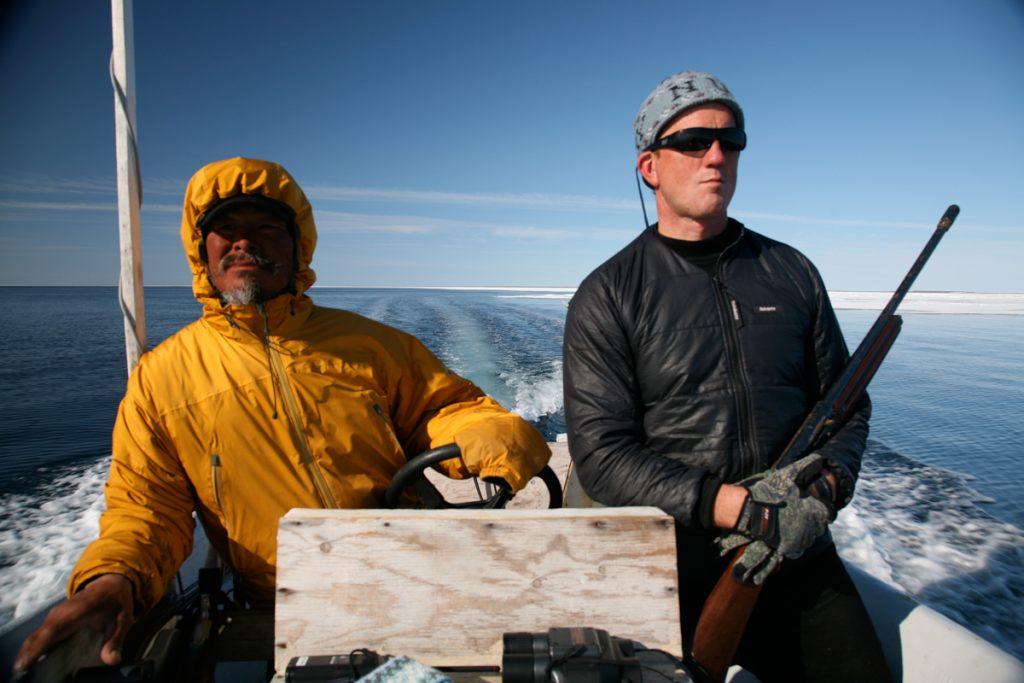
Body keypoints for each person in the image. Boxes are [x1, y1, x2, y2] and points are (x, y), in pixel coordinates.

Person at [15, 157, 551, 674]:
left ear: (298, 247)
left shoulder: (372, 346)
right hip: (275, 610)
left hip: (409, 572)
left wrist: (488, 432)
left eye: (267, 227)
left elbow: (446, 407)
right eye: (226, 229)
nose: (245, 241)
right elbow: (146, 510)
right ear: (202, 250)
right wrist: (113, 580)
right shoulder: (162, 378)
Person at [562, 72, 890, 682]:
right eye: (692, 141)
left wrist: (822, 492)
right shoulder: (607, 295)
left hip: (794, 553)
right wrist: (735, 507)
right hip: (668, 561)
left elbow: (847, 405)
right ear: (650, 166)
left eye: (730, 139)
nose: (717, 155)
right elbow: (602, 454)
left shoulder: (791, 273)